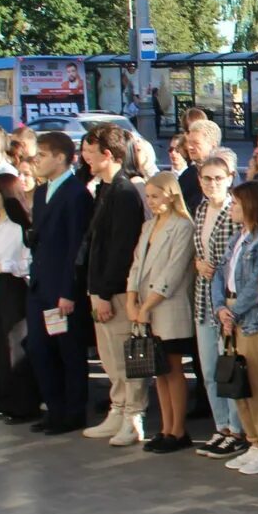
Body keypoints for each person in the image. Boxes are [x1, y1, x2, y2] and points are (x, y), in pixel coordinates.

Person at [80, 126, 149, 445]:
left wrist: (105, 292)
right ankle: (118, 408)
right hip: (100, 289)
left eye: (90, 153)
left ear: (109, 155)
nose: (84, 158)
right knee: (109, 358)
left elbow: (122, 249)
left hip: (117, 292)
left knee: (125, 357)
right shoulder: (104, 189)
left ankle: (133, 415)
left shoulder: (124, 192)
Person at [24, 132, 92, 435]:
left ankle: (73, 411)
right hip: (40, 284)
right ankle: (54, 407)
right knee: (40, 349)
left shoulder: (76, 194)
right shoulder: (40, 193)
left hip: (62, 289)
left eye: (42, 155)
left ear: (61, 158)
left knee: (69, 351)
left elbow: (76, 247)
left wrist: (69, 290)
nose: (35, 161)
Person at [214, 181, 258, 475]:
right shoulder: (236, 238)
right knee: (237, 381)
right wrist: (220, 308)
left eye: (236, 204)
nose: (231, 209)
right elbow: (219, 273)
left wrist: (233, 311)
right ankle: (253, 440)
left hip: (253, 320)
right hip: (230, 315)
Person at [127, 171, 198, 454]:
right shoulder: (148, 226)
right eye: (148, 197)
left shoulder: (182, 226)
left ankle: (178, 429)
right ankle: (165, 427)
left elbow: (174, 271)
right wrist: (132, 300)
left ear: (171, 195)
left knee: (172, 366)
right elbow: (136, 265)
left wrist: (146, 306)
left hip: (168, 306)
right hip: (146, 307)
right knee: (158, 370)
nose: (151, 202)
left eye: (155, 196)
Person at [0, 172, 42, 424]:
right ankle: (4, 398)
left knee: (15, 345)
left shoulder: (20, 224)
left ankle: (24, 404)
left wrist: (3, 265)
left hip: (13, 288)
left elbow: (27, 261)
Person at [188, 157, 241, 455]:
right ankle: (221, 425)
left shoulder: (234, 210)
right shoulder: (200, 209)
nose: (212, 184)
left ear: (230, 178)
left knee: (228, 367)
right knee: (208, 368)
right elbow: (199, 249)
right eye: (207, 178)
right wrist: (198, 263)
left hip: (227, 300)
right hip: (202, 298)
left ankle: (236, 428)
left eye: (218, 178)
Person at [177, 119, 223, 214]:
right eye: (189, 142)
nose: (190, 147)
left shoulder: (225, 174)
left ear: (213, 146)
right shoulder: (187, 175)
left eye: (196, 143)